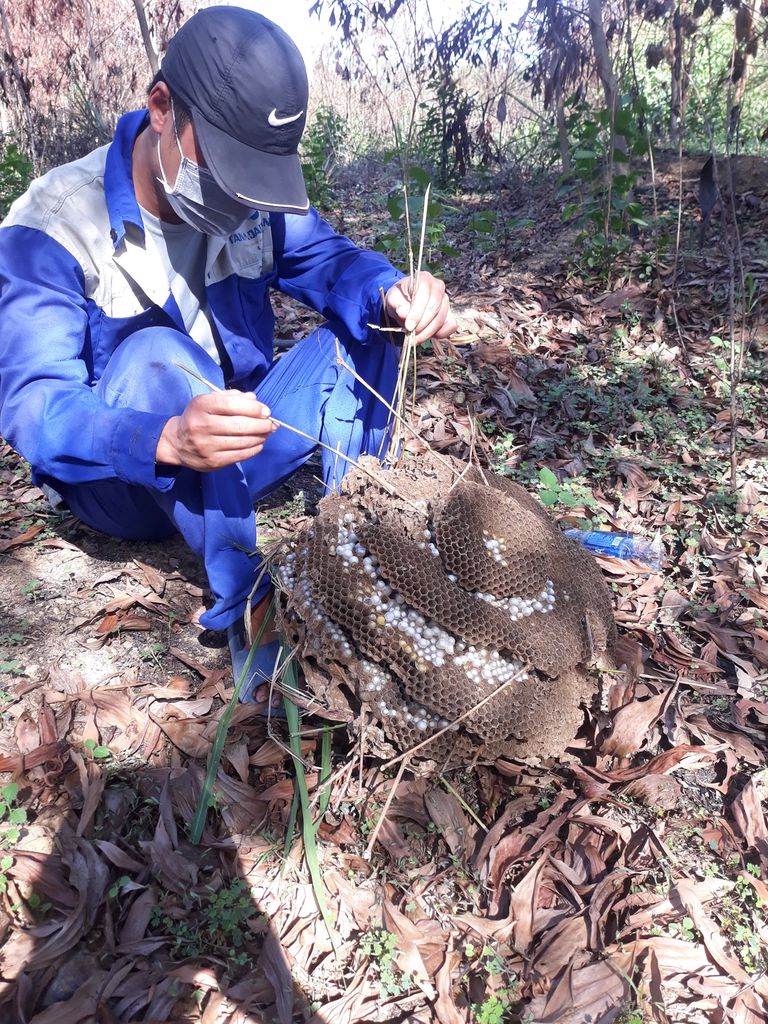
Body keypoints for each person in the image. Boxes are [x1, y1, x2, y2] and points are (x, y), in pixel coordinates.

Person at [0, 6, 456, 706]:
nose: (243, 200)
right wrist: (165, 437)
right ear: (161, 109)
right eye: (226, 170)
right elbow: (34, 407)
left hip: (239, 442)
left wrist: (394, 291)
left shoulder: (256, 206)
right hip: (133, 482)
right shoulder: (55, 225)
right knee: (156, 354)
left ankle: (367, 535)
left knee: (370, 322)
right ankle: (249, 600)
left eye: (255, 180)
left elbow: (334, 263)